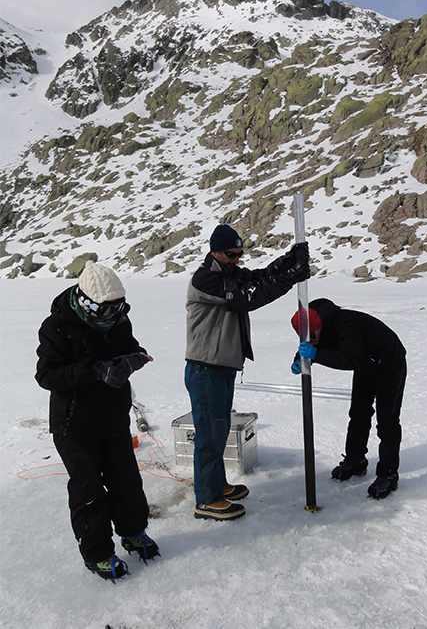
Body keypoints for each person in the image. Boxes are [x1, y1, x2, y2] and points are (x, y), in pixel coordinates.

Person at [35, 260, 158, 581]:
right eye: (107, 310)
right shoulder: (57, 327)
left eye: (120, 307)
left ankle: (133, 533)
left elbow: (131, 348)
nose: (114, 315)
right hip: (74, 427)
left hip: (114, 420)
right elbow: (46, 375)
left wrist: (133, 360)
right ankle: (98, 554)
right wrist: (94, 371)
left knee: (127, 483)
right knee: (89, 492)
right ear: (87, 305)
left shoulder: (118, 321)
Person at [185, 224, 310, 521]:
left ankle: (217, 485)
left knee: (219, 429)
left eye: (240, 254)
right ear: (215, 251)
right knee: (209, 434)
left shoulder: (228, 273)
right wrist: (292, 278)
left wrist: (288, 261)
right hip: (206, 368)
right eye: (232, 254)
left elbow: (258, 277)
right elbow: (248, 296)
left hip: (221, 367)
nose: (238, 259)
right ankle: (207, 499)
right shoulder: (207, 279)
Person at [291, 298, 406, 500]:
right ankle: (356, 460)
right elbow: (312, 345)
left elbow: (350, 359)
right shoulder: (316, 324)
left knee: (387, 420)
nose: (311, 341)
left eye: (312, 337)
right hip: (366, 363)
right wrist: (300, 359)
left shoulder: (346, 325)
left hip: (389, 361)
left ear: (319, 327)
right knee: (359, 413)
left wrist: (316, 355)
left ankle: (388, 474)